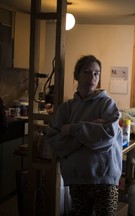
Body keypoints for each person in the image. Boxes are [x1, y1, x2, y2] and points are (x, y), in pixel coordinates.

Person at [46, 55, 123, 216]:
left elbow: (107, 137)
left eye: (96, 73)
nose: (92, 77)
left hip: (105, 178)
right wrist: (91, 133)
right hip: (77, 178)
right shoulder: (66, 109)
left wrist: (74, 130)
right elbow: (55, 142)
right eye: (87, 72)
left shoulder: (107, 104)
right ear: (76, 75)